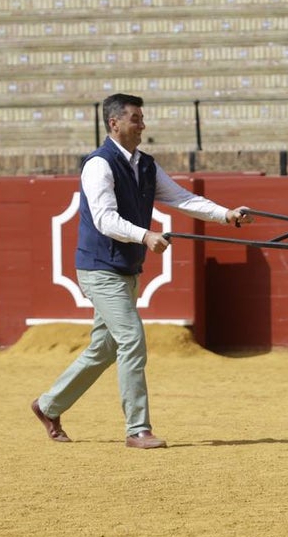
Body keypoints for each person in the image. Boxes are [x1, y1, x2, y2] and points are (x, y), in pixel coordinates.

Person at [32, 93, 252, 449]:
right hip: (99, 268)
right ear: (114, 123)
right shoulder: (98, 165)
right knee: (131, 339)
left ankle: (48, 405)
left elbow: (182, 198)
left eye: (142, 118)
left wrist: (225, 214)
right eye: (136, 119)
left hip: (126, 268)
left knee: (103, 348)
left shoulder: (145, 165)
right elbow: (104, 219)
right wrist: (145, 235)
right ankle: (138, 429)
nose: (142, 125)